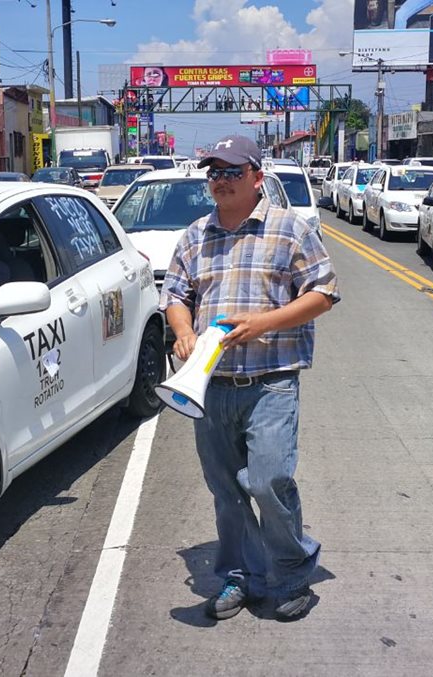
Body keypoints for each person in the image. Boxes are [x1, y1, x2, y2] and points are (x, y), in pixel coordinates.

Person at [161, 134, 339, 622]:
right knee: (226, 490)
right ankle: (239, 576)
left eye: (231, 172)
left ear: (257, 178)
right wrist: (181, 331)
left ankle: (291, 572)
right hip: (211, 386)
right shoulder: (195, 235)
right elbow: (176, 294)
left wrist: (263, 323)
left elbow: (323, 293)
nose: (220, 181)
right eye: (213, 173)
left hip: (271, 381)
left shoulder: (291, 230)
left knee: (267, 480)